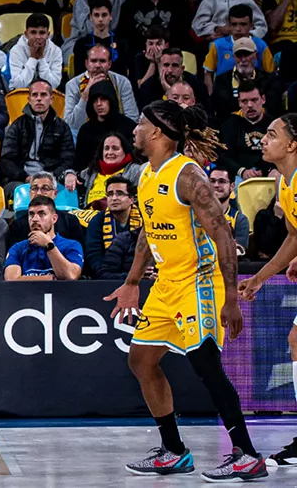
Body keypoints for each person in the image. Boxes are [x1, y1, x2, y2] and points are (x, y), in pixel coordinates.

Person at [105, 101, 265, 479]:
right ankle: (173, 450)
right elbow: (149, 230)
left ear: (158, 131)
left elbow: (223, 234)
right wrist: (131, 282)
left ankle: (247, 454)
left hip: (199, 280)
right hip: (166, 282)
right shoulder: (145, 174)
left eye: (142, 122)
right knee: (141, 360)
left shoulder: (188, 176)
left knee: (206, 365)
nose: (136, 128)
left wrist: (229, 298)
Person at [237, 114, 297, 467]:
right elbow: (293, 236)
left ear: (291, 144)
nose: (264, 140)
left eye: (272, 135)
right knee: (295, 340)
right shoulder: (285, 185)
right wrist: (260, 278)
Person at [0, 80, 76, 186]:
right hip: (22, 180)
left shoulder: (62, 127)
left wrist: (51, 177)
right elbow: (6, 160)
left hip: (53, 178)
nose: (39, 98)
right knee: (10, 188)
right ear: (29, 100)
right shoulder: (18, 125)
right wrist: (24, 177)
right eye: (35, 95)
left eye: (43, 95)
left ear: (51, 99)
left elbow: (68, 160)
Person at [63, 44, 138, 135]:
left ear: (109, 64)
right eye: (93, 61)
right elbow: (71, 125)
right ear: (86, 64)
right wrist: (86, 94)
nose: (98, 65)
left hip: (116, 134)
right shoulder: (72, 85)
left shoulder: (122, 82)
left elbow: (132, 119)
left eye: (102, 61)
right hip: (85, 135)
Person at [3, 196, 83, 280]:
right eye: (31, 214)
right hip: (26, 293)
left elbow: (71, 276)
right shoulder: (17, 248)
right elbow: (11, 280)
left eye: (42, 214)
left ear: (54, 219)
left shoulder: (71, 245)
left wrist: (49, 246)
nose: (35, 219)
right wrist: (50, 278)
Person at [76, 133, 143, 209]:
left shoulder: (136, 171)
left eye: (115, 148)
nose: (110, 152)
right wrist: (69, 174)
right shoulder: (91, 171)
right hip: (88, 218)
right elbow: (64, 177)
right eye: (106, 148)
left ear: (125, 151)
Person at [7, 14, 63, 89]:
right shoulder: (16, 51)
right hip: (22, 93)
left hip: (46, 94)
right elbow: (18, 85)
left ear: (48, 35)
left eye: (42, 33)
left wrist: (41, 59)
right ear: (26, 34)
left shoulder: (56, 51)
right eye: (33, 32)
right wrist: (32, 58)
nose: (38, 37)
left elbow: (54, 84)